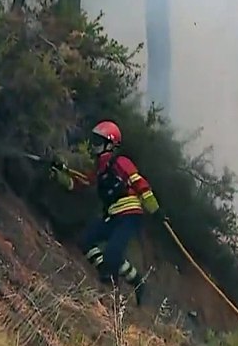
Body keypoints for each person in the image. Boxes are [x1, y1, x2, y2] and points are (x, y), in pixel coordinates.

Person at [55, 120, 160, 306]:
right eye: (94, 141)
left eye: (99, 141)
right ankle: (136, 280)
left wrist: (156, 210)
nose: (95, 145)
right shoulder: (99, 169)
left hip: (129, 215)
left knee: (113, 253)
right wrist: (60, 174)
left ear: (110, 144)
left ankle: (108, 289)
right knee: (86, 241)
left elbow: (140, 183)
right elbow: (80, 183)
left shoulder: (121, 162)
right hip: (112, 216)